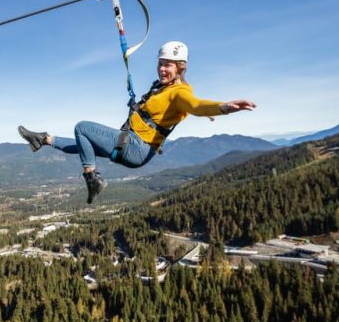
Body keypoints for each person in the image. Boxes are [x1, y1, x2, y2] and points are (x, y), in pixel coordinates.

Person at [18, 41, 256, 204]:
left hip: (137, 146)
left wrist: (223, 108)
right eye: (161, 63)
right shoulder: (162, 88)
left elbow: (195, 105)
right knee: (85, 141)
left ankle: (92, 179)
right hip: (131, 142)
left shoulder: (179, 93)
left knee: (82, 128)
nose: (162, 69)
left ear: (180, 67)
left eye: (168, 65)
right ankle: (43, 140)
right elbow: (186, 108)